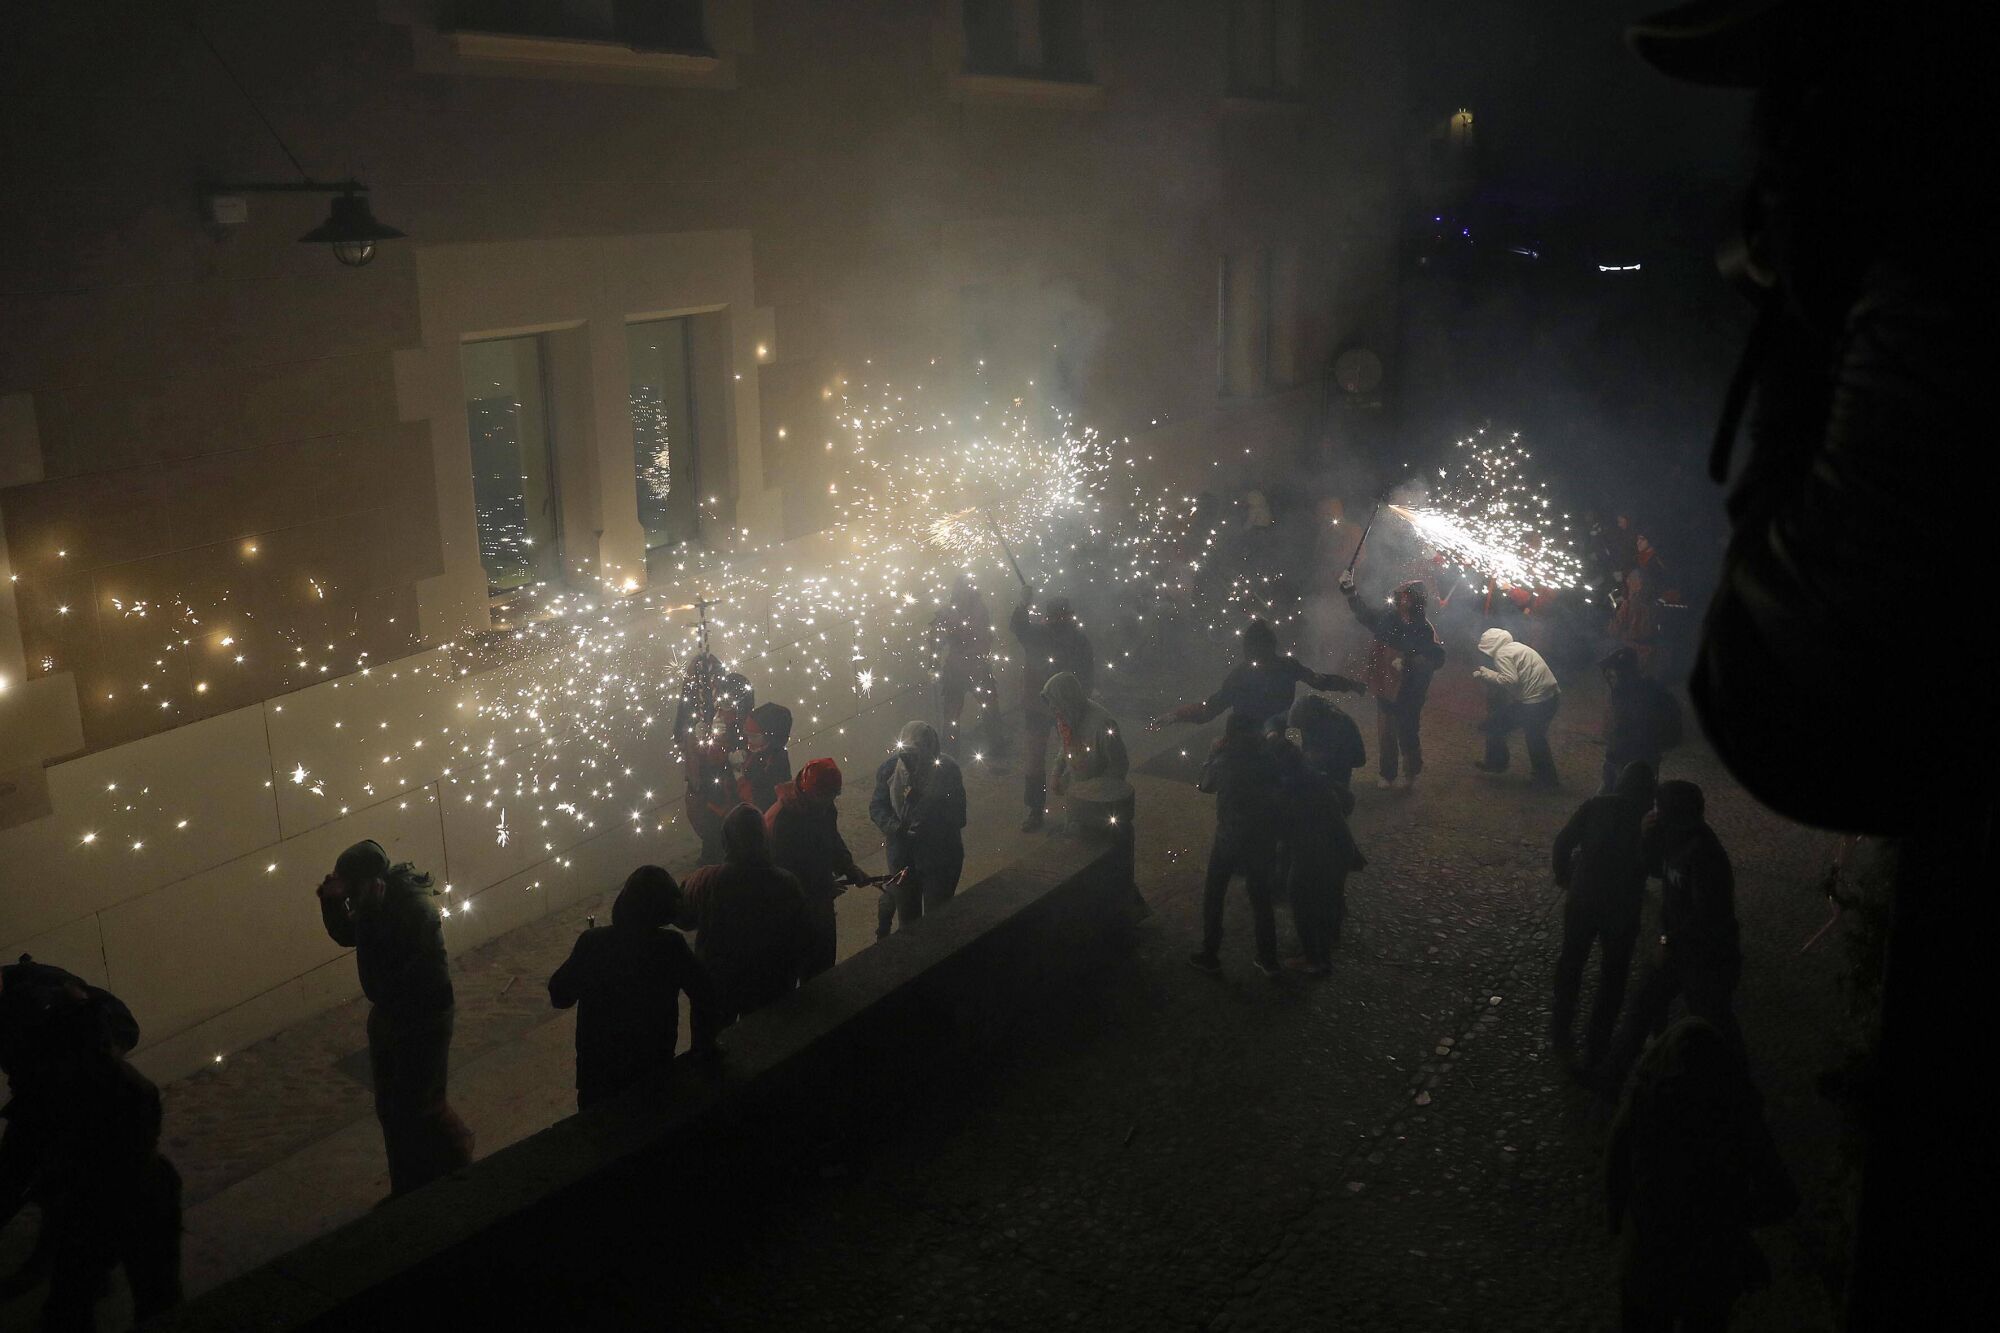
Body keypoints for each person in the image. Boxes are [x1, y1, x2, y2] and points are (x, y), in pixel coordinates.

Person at [1628, 6, 1981, 1319]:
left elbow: (1781, 706)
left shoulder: (1948, 287)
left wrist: (1815, 311)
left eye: (1785, 98)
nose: (1760, 155)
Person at [0, 993, 182, 1331]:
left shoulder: (61, 1092)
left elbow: (21, 1162)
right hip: (143, 1194)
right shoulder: (126, 1085)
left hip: (106, 1202)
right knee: (154, 1296)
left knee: (77, 1300)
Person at [1606, 1017, 1799, 1332]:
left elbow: (1616, 1158)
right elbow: (1782, 1196)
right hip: (1711, 1268)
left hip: (1649, 1256)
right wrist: (1730, 1217)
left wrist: (1618, 1218)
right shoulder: (1737, 1114)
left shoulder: (1648, 1098)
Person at [316, 840, 472, 1197]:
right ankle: (409, 1186)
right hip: (396, 1016)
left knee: (419, 1108)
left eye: (348, 888)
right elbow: (349, 934)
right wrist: (332, 902)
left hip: (422, 1017)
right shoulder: (381, 896)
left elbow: (375, 981)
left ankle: (457, 1166)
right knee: (392, 1109)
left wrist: (366, 913)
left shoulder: (410, 907)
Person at [548, 865, 719, 1110]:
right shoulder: (671, 947)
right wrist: (701, 1048)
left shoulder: (593, 944)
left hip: (598, 1075)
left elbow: (560, 996)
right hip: (654, 1067)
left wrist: (586, 962)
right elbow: (705, 994)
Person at [1608, 781, 1742, 1089]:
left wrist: (1669, 941)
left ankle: (1736, 1092)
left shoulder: (1705, 854)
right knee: (1640, 1011)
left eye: (1659, 808)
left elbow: (1707, 915)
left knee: (1715, 1027)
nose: (1654, 812)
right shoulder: (1674, 835)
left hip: (1707, 958)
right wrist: (1645, 837)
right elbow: (1654, 868)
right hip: (1678, 948)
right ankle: (1609, 1081)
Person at [1550, 762, 1658, 1076]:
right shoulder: (1647, 820)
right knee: (1613, 978)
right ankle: (1597, 1046)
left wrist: (1565, 876)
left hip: (1583, 898)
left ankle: (1560, 1028)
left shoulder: (1596, 805)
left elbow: (1563, 842)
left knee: (1571, 963)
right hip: (1622, 908)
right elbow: (1653, 866)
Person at [681, 805, 810, 1024]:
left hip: (719, 987)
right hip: (772, 986)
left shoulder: (705, 881)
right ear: (764, 838)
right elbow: (803, 937)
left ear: (726, 840)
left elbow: (683, 919)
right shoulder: (786, 883)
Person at [1189, 712, 1284, 978]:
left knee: (1215, 893)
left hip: (1230, 836)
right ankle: (1268, 958)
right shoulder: (1267, 756)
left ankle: (1210, 954)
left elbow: (1204, 784)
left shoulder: (1225, 760)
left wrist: (1211, 754)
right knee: (1260, 896)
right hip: (1262, 836)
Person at [1275, 711, 1368, 977]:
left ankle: (1315, 959)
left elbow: (1281, 829)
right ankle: (1330, 940)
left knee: (1302, 904)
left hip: (1311, 857)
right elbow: (1347, 800)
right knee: (1330, 899)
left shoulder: (1290, 793)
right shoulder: (1319, 780)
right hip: (1338, 848)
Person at [1151, 617, 1363, 734]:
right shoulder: (1286, 666)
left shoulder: (1241, 675)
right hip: (1274, 738)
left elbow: (1210, 709)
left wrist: (1178, 715)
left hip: (1247, 742)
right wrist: (1350, 684)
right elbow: (1320, 681)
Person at [1040, 671, 1140, 908]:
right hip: (1078, 796)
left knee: (1105, 858)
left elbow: (1119, 764)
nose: (1054, 710)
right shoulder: (1067, 716)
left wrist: (1096, 793)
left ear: (1066, 698)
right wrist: (1057, 772)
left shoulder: (1103, 723)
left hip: (1101, 804)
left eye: (1055, 702)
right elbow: (1065, 748)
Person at [1337, 572, 1446, 789]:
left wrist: (1410, 662)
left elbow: (1437, 657)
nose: (1399, 597)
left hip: (1410, 690)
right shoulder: (1388, 618)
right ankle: (1387, 774)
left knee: (1407, 730)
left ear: (1414, 601)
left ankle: (1411, 772)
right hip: (1386, 683)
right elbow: (1364, 614)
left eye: (1404, 595)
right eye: (1400, 594)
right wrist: (1351, 591)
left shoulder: (1424, 629)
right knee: (1386, 731)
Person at [765, 758, 870, 980]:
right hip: (792, 907)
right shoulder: (783, 820)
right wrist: (820, 886)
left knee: (823, 963)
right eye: (826, 796)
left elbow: (830, 837)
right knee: (803, 964)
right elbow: (784, 872)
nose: (830, 801)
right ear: (807, 790)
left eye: (833, 795)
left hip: (818, 898)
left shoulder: (820, 804)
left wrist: (848, 866)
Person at [868, 720, 968, 938]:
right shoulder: (890, 769)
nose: (910, 761)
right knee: (909, 925)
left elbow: (959, 816)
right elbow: (877, 807)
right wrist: (897, 828)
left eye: (916, 755)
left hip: (940, 858)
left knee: (936, 922)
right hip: (902, 858)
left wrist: (929, 821)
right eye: (907, 755)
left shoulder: (947, 770)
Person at [1010, 588, 1094, 831]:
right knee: (1039, 758)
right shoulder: (1040, 635)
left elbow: (1087, 678)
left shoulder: (1076, 640)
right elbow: (1018, 625)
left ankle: (1076, 810)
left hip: (1062, 706)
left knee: (1073, 757)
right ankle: (1037, 810)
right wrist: (1023, 603)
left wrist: (1080, 704)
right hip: (1039, 706)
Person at [1472, 627, 1562, 788]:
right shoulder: (1517, 647)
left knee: (1525, 735)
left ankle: (1544, 779)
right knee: (1533, 737)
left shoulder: (1501, 654)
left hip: (1535, 702)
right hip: (1549, 697)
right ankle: (1544, 777)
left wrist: (1486, 673)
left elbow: (1510, 680)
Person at [681, 668, 754, 864]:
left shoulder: (745, 726)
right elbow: (704, 762)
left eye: (729, 704)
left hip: (735, 801)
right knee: (714, 846)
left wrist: (740, 757)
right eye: (721, 703)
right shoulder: (714, 723)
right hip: (714, 802)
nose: (723, 709)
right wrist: (701, 739)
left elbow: (749, 754)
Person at [933, 576, 1004, 761]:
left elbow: (936, 638)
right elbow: (985, 638)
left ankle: (950, 753)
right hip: (973, 668)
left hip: (959, 669)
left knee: (955, 715)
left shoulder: (951, 611)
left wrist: (934, 661)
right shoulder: (975, 609)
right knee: (979, 710)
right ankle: (995, 748)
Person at [1600, 647, 1683, 794]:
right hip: (1629, 751)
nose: (1609, 678)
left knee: (1628, 790)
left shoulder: (1643, 693)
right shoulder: (1627, 689)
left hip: (1639, 751)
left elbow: (1636, 726)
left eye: (1613, 675)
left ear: (1623, 674)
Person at [1285, 692, 1368, 800]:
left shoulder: (1337, 724)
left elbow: (1331, 755)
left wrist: (1307, 758)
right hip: (1329, 754)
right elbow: (1278, 719)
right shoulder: (1312, 715)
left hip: (1341, 759)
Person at [738, 701, 794, 813]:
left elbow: (765, 805)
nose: (748, 741)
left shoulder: (777, 767)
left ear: (771, 737)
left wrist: (750, 793)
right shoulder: (758, 750)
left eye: (754, 737)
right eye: (747, 734)